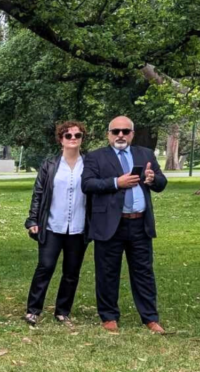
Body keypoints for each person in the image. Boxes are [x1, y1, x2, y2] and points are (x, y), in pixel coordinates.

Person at [82, 116, 167, 333]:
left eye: (125, 131)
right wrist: (115, 183)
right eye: (116, 131)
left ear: (132, 134)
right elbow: (88, 184)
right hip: (111, 224)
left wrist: (152, 179)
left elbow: (161, 182)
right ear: (108, 134)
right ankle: (109, 316)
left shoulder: (145, 154)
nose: (121, 135)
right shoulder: (95, 157)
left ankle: (150, 317)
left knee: (143, 272)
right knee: (107, 272)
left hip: (140, 223)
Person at [23, 121, 91, 326]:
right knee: (45, 266)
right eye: (68, 136)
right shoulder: (50, 164)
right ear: (60, 139)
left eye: (77, 136)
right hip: (52, 225)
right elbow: (38, 193)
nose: (73, 139)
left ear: (81, 139)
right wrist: (33, 219)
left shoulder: (89, 164)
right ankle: (33, 310)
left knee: (71, 272)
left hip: (78, 227)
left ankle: (63, 311)